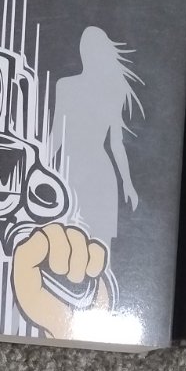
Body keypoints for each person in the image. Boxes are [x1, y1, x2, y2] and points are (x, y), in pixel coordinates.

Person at [51, 27, 144, 253]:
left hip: (75, 173)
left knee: (73, 246)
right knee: (93, 249)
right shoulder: (109, 91)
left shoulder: (67, 86)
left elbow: (56, 138)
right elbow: (115, 145)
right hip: (92, 174)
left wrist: (128, 182)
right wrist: (127, 183)